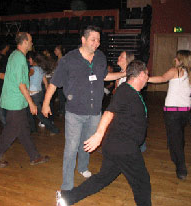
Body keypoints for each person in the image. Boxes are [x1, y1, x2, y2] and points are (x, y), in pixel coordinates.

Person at [42, 25, 126, 191]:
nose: (97, 43)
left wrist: (124, 74)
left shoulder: (100, 57)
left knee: (87, 143)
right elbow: (54, 82)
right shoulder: (68, 59)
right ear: (83, 40)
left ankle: (83, 167)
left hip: (95, 112)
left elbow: (104, 76)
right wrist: (45, 103)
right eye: (93, 40)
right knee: (71, 148)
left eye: (98, 40)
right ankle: (67, 185)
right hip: (74, 112)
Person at [56, 60, 151, 206]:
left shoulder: (130, 91)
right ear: (141, 74)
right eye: (147, 74)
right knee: (142, 181)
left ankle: (67, 198)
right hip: (124, 147)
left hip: (116, 146)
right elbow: (109, 112)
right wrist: (98, 135)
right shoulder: (126, 91)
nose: (148, 78)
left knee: (102, 179)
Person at [0, 32, 49, 168]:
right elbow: (21, 84)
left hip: (16, 99)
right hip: (15, 100)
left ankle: (34, 156)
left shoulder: (15, 55)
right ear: (25, 42)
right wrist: (31, 103)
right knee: (12, 129)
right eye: (31, 41)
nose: (32, 43)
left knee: (23, 129)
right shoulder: (19, 58)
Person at [148, 50, 191, 180]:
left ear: (181, 60)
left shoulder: (175, 71)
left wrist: (146, 78)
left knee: (175, 139)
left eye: (177, 58)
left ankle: (181, 167)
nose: (175, 59)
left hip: (172, 112)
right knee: (178, 136)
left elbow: (161, 79)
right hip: (185, 112)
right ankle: (175, 156)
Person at [27, 51, 59, 135]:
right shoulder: (41, 69)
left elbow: (26, 75)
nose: (28, 60)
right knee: (30, 112)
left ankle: (54, 129)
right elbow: (45, 82)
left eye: (29, 59)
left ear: (33, 59)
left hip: (33, 94)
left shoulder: (32, 69)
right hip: (39, 93)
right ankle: (32, 129)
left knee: (39, 115)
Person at [54, 45, 66, 117]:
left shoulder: (62, 59)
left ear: (60, 51)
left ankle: (63, 111)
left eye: (56, 50)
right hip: (60, 80)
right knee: (61, 96)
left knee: (62, 97)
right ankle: (62, 110)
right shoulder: (59, 59)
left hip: (62, 81)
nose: (55, 51)